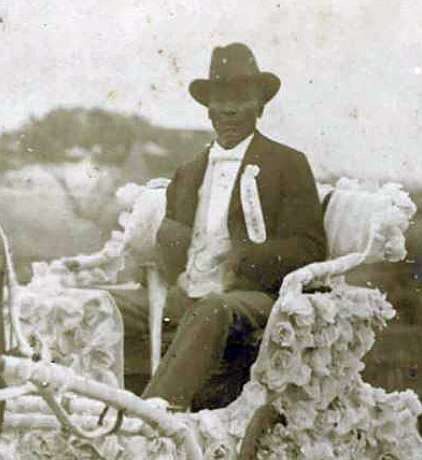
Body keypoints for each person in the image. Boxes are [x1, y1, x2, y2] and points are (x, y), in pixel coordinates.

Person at [118, 42, 327, 410]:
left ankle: (149, 418)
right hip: (186, 295)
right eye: (220, 97)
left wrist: (243, 258)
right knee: (98, 303)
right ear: (208, 108)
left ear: (260, 105)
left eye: (241, 97)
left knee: (212, 308)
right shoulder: (188, 171)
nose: (229, 108)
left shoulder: (287, 164)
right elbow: (172, 247)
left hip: (252, 297)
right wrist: (174, 269)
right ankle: (82, 414)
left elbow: (309, 248)